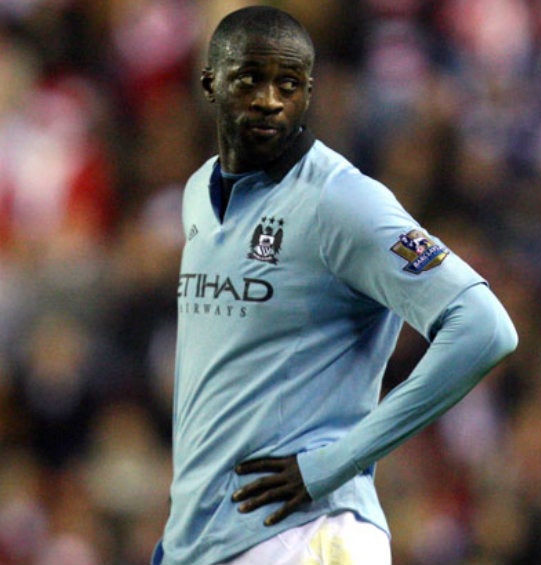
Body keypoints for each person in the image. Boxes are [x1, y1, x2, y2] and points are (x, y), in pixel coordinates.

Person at [151, 6, 518, 565]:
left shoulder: (341, 200)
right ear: (210, 82)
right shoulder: (199, 191)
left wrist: (335, 463)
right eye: (250, 78)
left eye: (289, 84)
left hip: (309, 536)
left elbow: (484, 328)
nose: (270, 99)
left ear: (309, 92)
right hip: (208, 541)